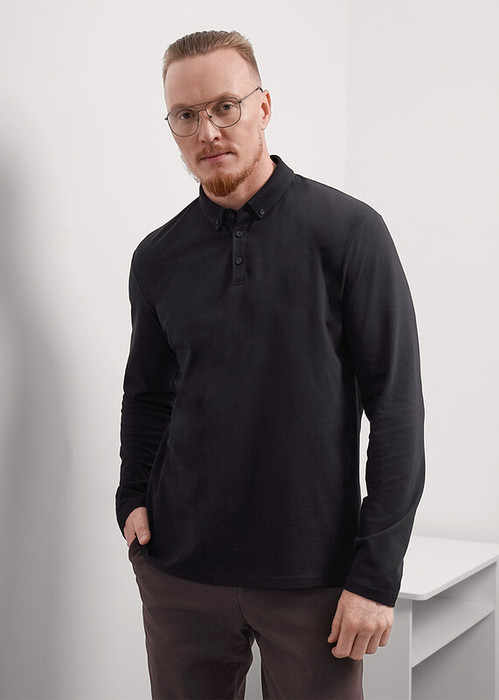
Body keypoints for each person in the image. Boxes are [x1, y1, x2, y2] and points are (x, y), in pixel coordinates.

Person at [116, 29, 425, 700]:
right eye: (185, 115)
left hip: (314, 580)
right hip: (180, 575)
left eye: (224, 106)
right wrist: (132, 494)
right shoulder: (157, 257)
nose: (207, 131)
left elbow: (397, 410)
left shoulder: (349, 232)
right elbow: (148, 394)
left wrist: (376, 575)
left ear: (263, 107)